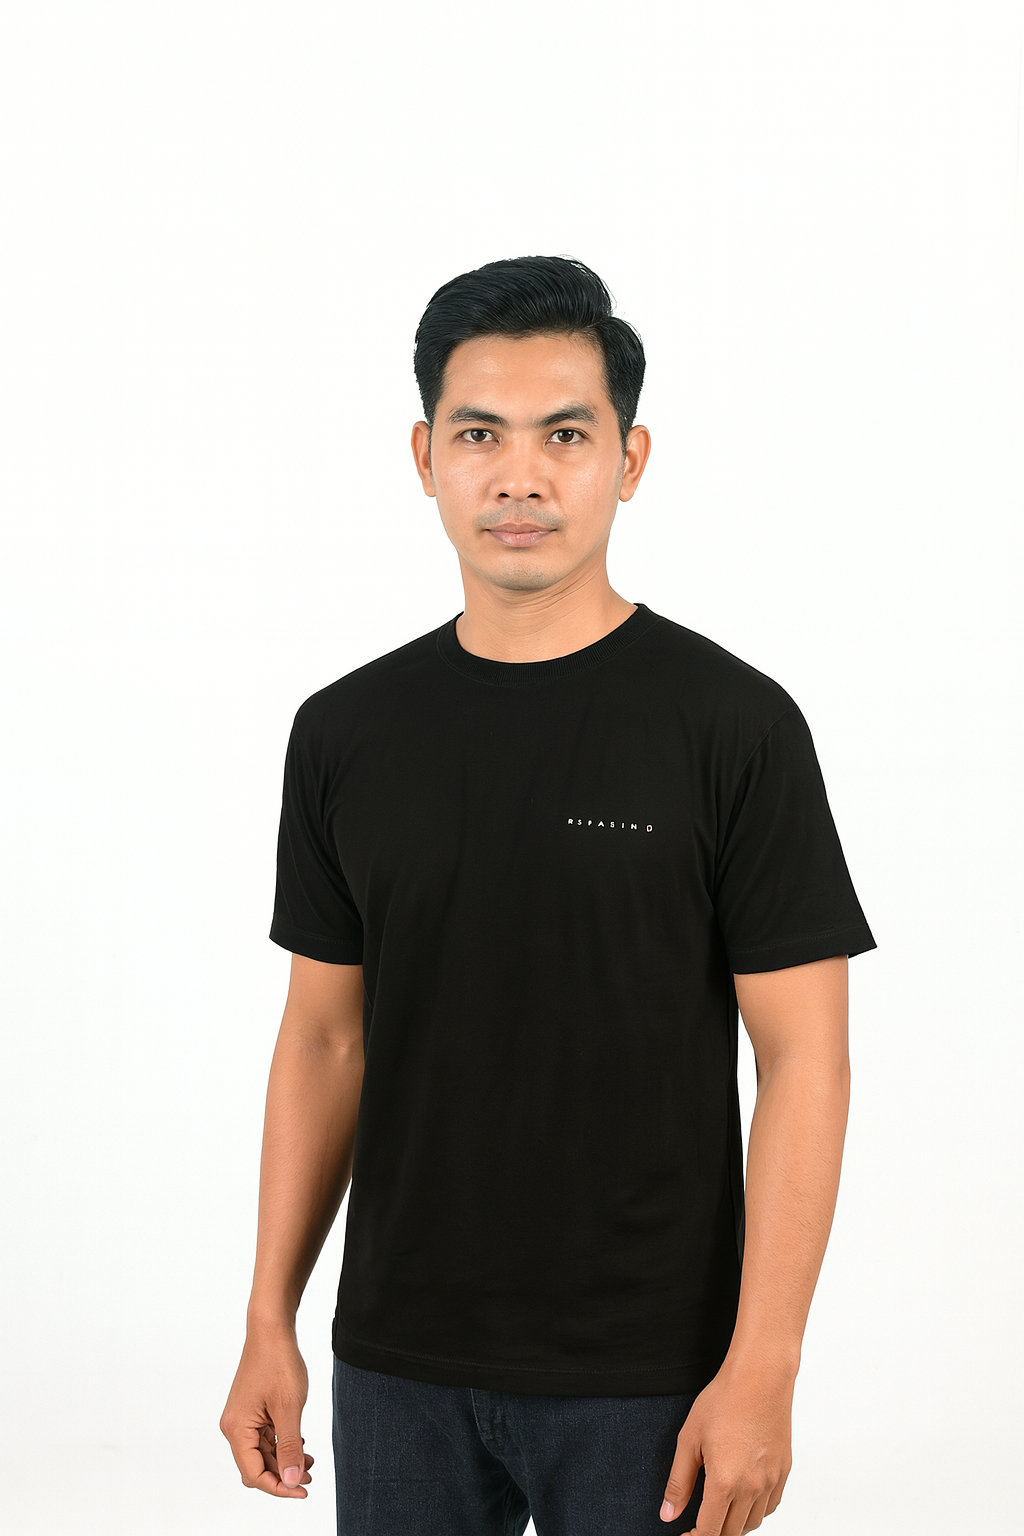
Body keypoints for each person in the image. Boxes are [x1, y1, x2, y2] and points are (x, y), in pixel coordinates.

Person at [220, 255, 877, 1536]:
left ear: (630, 460)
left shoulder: (731, 725)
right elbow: (324, 1037)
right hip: (397, 1363)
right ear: (425, 457)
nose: (519, 477)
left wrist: (764, 1366)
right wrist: (268, 1319)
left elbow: (804, 1059)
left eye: (564, 436)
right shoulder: (346, 731)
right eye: (480, 435)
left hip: (651, 1376)